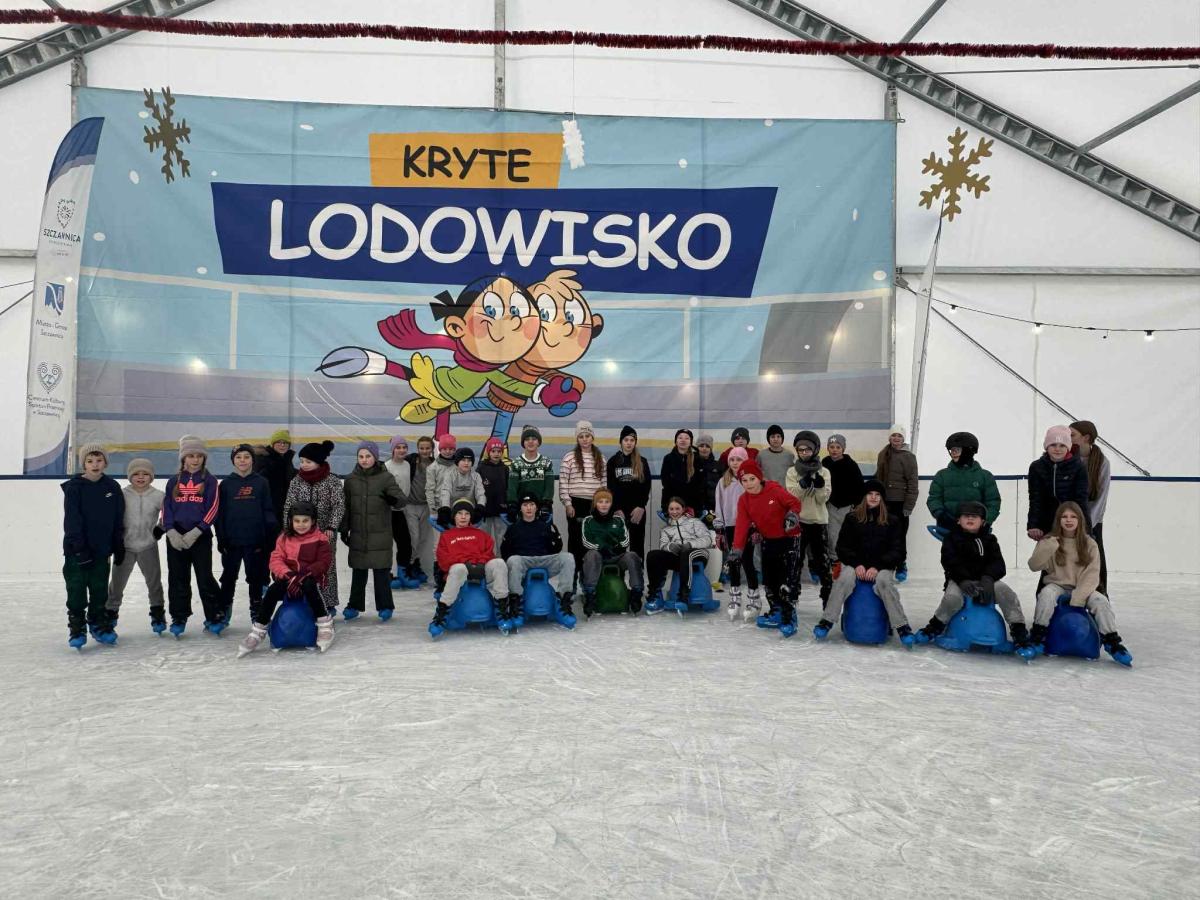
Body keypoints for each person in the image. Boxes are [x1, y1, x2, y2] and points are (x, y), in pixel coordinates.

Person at [1025, 501, 1131, 666]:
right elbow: (1034, 565)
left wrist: (1078, 598)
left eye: (1073, 516)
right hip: (1057, 584)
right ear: (1058, 520)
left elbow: (1092, 575)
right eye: (1064, 516)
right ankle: (1038, 635)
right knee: (1046, 595)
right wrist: (1048, 547)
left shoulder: (1090, 543)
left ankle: (1112, 642)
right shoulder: (1049, 541)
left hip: (1083, 587)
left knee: (1101, 601)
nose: (1069, 520)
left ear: (1080, 520)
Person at [814, 478, 914, 645]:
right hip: (856, 564)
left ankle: (902, 626)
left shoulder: (893, 521)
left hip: (882, 566)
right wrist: (856, 564)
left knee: (884, 582)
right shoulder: (852, 518)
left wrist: (878, 566)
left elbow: (898, 551)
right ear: (864, 497)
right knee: (844, 579)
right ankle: (827, 620)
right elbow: (842, 547)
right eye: (870, 494)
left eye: (877, 495)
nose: (873, 497)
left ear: (882, 498)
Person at [915, 500, 1028, 647]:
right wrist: (963, 580)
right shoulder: (951, 539)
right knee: (952, 598)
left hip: (987, 580)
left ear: (983, 521)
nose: (970, 518)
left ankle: (1018, 630)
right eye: (966, 516)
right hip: (959, 580)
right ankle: (935, 626)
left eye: (975, 516)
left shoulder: (990, 540)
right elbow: (950, 562)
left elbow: (998, 563)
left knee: (1007, 594)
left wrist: (988, 578)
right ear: (958, 520)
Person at [238, 501, 335, 657]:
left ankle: (324, 624)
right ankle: (258, 630)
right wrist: (289, 575)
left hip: (310, 578)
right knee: (272, 591)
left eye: (305, 521)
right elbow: (276, 559)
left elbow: (324, 562)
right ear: (291, 521)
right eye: (297, 521)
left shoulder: (321, 539)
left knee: (310, 586)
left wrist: (304, 574)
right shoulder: (284, 538)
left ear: (313, 521)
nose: (301, 525)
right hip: (288, 577)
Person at [725, 460, 802, 635]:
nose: (748, 484)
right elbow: (742, 526)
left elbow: (795, 503)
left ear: (759, 478)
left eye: (752, 479)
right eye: (744, 480)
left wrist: (792, 515)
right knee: (769, 580)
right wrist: (737, 549)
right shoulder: (744, 500)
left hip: (789, 539)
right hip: (768, 540)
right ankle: (776, 611)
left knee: (786, 581)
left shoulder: (774, 490)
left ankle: (789, 618)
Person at [61, 443, 125, 648]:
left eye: (99, 460)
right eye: (90, 461)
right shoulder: (74, 487)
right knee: (77, 590)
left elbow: (118, 518)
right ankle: (77, 626)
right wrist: (79, 549)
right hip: (77, 551)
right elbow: (72, 521)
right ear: (84, 464)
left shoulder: (112, 487)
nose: (95, 464)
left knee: (100, 591)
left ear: (105, 463)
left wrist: (118, 544)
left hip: (102, 551)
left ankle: (98, 623)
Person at [162, 435, 222, 637]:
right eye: (190, 456)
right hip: (176, 537)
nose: (195, 460)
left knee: (204, 577)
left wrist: (198, 530)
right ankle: (179, 617)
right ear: (183, 458)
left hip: (200, 536)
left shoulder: (210, 481)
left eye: (199, 456)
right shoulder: (173, 481)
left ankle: (214, 615)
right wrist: (170, 531)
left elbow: (213, 508)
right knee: (178, 577)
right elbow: (166, 508)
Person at [341, 440, 406, 620]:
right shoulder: (351, 480)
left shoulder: (386, 478)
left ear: (375, 457)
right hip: (358, 534)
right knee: (358, 572)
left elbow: (401, 499)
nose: (364, 460)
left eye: (368, 456)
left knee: (381, 572)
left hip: (380, 533)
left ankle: (385, 606)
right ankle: (354, 605)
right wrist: (344, 529)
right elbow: (346, 507)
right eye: (361, 456)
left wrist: (394, 500)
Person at [429, 498, 510, 635]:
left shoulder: (481, 535)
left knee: (499, 563)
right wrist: (465, 562)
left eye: (467, 513)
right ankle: (442, 612)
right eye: (459, 513)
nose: (463, 517)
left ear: (471, 516)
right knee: (458, 568)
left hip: (481, 567)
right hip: (460, 571)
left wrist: (479, 562)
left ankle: (501, 609)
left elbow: (489, 553)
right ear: (454, 516)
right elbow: (443, 560)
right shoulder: (446, 536)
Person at [282, 440, 344, 615]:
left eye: (308, 461)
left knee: (326, 567)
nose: (304, 465)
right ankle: (306, 600)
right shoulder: (297, 481)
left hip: (324, 533)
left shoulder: (332, 481)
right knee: (303, 567)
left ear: (319, 461)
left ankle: (328, 603)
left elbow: (338, 505)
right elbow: (288, 506)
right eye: (302, 461)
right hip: (300, 533)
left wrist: (332, 526)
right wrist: (288, 529)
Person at [216, 443, 276, 625]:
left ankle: (256, 609)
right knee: (228, 577)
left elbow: (267, 510)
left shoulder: (261, 482)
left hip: (255, 541)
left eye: (247, 457)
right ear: (233, 460)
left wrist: (268, 537)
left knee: (255, 577)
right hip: (232, 541)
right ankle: (224, 607)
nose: (243, 460)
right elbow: (220, 514)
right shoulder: (225, 485)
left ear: (252, 460)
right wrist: (221, 539)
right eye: (238, 457)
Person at [107, 457, 165, 635]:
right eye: (136, 474)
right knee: (117, 583)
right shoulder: (122, 494)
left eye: (145, 474)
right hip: (125, 547)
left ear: (151, 477)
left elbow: (170, 513)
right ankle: (110, 613)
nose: (140, 477)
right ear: (130, 476)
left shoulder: (158, 495)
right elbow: (112, 515)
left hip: (148, 546)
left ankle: (157, 613)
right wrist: (115, 537)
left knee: (154, 582)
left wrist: (160, 528)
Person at [501, 491, 577, 626]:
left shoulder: (545, 526)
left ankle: (563, 600)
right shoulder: (513, 528)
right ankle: (516, 603)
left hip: (544, 561)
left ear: (536, 507)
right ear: (520, 508)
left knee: (568, 557)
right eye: (525, 505)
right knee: (513, 560)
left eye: (532, 504)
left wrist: (557, 538)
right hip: (524, 562)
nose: (529, 508)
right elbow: (505, 552)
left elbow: (555, 549)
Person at [580, 487, 645, 616]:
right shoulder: (588, 521)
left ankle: (636, 594)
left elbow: (625, 541)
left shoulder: (618, 520)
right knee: (591, 554)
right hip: (598, 557)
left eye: (607, 502)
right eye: (600, 502)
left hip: (616, 556)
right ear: (595, 504)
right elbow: (586, 541)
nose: (604, 505)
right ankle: (590, 595)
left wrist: (615, 548)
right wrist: (601, 548)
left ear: (611, 504)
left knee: (632, 556)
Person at [785, 430, 833, 604]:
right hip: (799, 522)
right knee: (795, 560)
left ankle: (828, 598)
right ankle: (792, 596)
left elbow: (823, 499)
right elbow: (792, 497)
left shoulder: (824, 472)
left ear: (815, 450)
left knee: (822, 561)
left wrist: (819, 487)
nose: (804, 452)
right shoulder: (792, 472)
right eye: (801, 450)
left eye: (808, 449)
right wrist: (802, 485)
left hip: (819, 521)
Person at [713, 446, 761, 621]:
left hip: (747, 526)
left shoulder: (749, 480)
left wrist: (756, 527)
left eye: (739, 459)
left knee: (747, 561)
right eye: (732, 460)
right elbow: (719, 505)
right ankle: (735, 598)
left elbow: (757, 503)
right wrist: (719, 529)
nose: (735, 463)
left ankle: (754, 598)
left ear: (745, 461)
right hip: (730, 526)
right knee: (733, 562)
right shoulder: (723, 481)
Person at [645, 497, 714, 614]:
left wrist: (690, 544)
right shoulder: (666, 529)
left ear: (683, 509)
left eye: (677, 508)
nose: (674, 512)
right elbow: (663, 545)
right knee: (653, 555)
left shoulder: (694, 522)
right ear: (668, 510)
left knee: (686, 553)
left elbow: (707, 539)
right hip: (680, 558)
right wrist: (670, 546)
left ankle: (683, 595)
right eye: (671, 509)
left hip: (698, 553)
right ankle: (655, 594)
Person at [559, 420, 605, 584]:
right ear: (577, 439)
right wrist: (567, 503)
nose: (585, 439)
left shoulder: (600, 458)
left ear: (592, 437)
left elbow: (604, 485)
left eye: (587, 436)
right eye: (581, 436)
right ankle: (572, 578)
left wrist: (602, 505)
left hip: (594, 505)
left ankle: (588, 579)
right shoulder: (569, 457)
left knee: (592, 543)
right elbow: (563, 482)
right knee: (575, 542)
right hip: (575, 505)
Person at [1070, 420, 1112, 595]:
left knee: (1096, 557)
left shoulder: (1102, 463)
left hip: (1092, 523)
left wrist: (1087, 524)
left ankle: (1101, 595)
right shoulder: (1068, 458)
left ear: (1086, 438)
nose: (1068, 438)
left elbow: (1101, 498)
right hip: (1068, 520)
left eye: (1072, 435)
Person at [927, 432, 1001, 531]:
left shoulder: (985, 476)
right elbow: (934, 499)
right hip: (948, 529)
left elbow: (993, 502)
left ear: (968, 451)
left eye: (957, 450)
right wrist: (941, 515)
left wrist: (986, 521)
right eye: (952, 450)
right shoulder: (942, 475)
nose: (953, 453)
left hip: (976, 530)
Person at [1027, 425, 1090, 540]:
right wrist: (1033, 525)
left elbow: (1081, 500)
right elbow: (1036, 498)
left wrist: (1086, 530)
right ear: (1047, 446)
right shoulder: (1037, 467)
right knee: (1047, 550)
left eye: (1062, 445)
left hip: (1071, 524)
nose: (1057, 449)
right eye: (1053, 445)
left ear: (1068, 447)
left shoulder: (1078, 467)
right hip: (1047, 525)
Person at [875, 425, 918, 577]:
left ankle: (901, 565)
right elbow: (878, 478)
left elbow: (913, 483)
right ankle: (886, 565)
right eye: (894, 435)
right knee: (884, 534)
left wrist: (909, 506)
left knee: (899, 536)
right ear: (890, 437)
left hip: (900, 503)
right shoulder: (883, 454)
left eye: (899, 436)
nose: (896, 438)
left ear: (903, 438)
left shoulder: (909, 457)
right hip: (885, 502)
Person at [606, 425, 651, 561]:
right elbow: (610, 487)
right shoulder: (613, 461)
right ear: (621, 442)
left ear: (635, 442)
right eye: (626, 440)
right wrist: (616, 508)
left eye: (632, 440)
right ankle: (618, 572)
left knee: (637, 545)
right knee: (618, 545)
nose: (629, 443)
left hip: (637, 510)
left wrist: (641, 506)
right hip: (618, 510)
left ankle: (637, 571)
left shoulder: (642, 461)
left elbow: (646, 486)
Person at [822, 433, 864, 565]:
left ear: (843, 449)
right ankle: (834, 559)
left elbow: (859, 486)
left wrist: (856, 505)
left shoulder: (851, 465)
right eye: (832, 447)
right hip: (831, 505)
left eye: (838, 447)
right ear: (828, 448)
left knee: (847, 534)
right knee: (832, 534)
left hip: (847, 507)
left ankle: (848, 560)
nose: (834, 450)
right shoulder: (825, 463)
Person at [383, 435, 416, 587]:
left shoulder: (408, 464)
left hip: (401, 510)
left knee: (405, 543)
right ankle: (387, 575)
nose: (402, 450)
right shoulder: (387, 466)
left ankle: (403, 573)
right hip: (388, 511)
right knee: (387, 544)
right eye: (398, 447)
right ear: (393, 450)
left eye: (404, 447)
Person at [403, 436, 436, 583]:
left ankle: (416, 564)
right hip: (410, 505)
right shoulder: (410, 461)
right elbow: (395, 462)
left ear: (432, 449)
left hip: (426, 506)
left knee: (422, 539)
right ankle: (408, 565)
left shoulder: (434, 464)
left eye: (427, 448)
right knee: (414, 537)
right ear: (418, 449)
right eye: (422, 448)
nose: (424, 451)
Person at [507, 424, 554, 519]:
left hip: (542, 510)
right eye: (527, 439)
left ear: (539, 442)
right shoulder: (516, 464)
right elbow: (512, 488)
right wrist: (512, 505)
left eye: (534, 439)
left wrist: (546, 504)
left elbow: (549, 488)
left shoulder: (546, 463)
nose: (530, 442)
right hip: (523, 510)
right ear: (523, 443)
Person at [254, 428, 295, 530]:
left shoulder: (286, 459)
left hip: (285, 507)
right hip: (269, 508)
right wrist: (273, 466)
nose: (282, 445)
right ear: (272, 444)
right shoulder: (263, 458)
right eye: (279, 442)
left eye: (285, 443)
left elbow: (290, 475)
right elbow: (258, 480)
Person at [436, 446, 486, 527]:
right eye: (463, 460)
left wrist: (481, 507)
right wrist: (445, 508)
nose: (466, 463)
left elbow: (480, 494)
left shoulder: (476, 476)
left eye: (469, 460)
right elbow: (445, 492)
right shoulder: (450, 475)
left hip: (469, 513)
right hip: (453, 513)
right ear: (457, 462)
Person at [660, 428, 706, 515]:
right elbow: (666, 484)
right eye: (680, 437)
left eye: (687, 438)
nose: (683, 440)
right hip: (674, 506)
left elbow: (700, 484)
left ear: (690, 442)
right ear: (676, 441)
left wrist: (698, 507)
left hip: (693, 506)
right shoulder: (668, 458)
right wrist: (666, 506)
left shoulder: (697, 459)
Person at [476, 437, 510, 546]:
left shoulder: (505, 469)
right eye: (493, 451)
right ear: (488, 452)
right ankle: (485, 557)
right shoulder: (481, 468)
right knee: (484, 539)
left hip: (501, 510)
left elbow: (508, 488)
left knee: (502, 539)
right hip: (485, 510)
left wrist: (508, 505)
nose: (496, 454)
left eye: (499, 451)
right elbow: (476, 488)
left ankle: (501, 557)